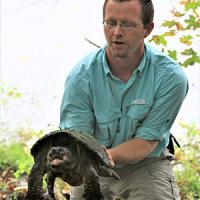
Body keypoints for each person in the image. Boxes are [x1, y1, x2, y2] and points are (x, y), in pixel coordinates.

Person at [60, 0, 188, 199]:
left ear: (147, 29)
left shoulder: (170, 78)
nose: (117, 32)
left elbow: (146, 142)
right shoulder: (80, 77)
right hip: (91, 163)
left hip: (145, 163)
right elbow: (79, 139)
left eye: (127, 24)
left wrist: (107, 156)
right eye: (110, 23)